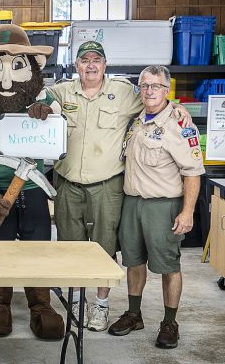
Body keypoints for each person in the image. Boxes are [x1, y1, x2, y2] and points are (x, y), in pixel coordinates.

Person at [39, 41, 191, 332]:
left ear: (105, 65)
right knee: (70, 247)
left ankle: (101, 306)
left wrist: (177, 109)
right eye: (85, 60)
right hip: (68, 185)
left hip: (107, 186)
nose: (91, 65)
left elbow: (155, 100)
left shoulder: (123, 92)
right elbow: (34, 97)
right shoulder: (61, 91)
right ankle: (77, 303)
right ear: (76, 65)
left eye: (97, 60)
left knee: (104, 248)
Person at [0, 24, 65, 339]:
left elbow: (58, 134)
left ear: (35, 69)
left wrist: (47, 114)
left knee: (37, 251)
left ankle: (41, 306)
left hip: (32, 192)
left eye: (17, 68)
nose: (6, 80)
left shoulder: (43, 103)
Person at [107, 66, 204, 349]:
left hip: (163, 206)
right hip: (132, 202)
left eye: (156, 85)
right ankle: (134, 314)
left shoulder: (180, 125)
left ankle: (169, 322)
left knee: (168, 266)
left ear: (167, 89)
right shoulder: (136, 120)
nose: (149, 91)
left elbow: (193, 172)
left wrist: (187, 212)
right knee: (133, 262)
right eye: (144, 85)